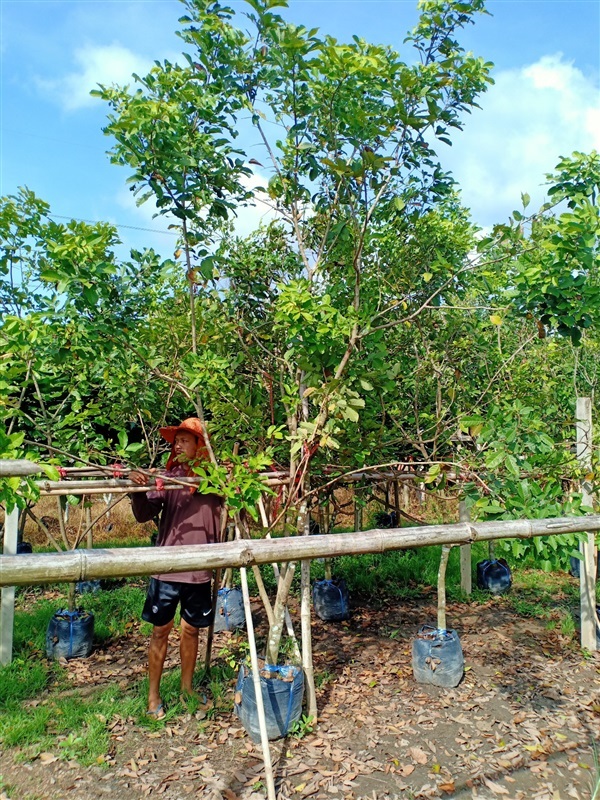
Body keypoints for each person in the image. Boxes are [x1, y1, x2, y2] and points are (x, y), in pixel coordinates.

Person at [130, 417, 221, 718]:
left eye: (185, 439)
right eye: (176, 440)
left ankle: (187, 690)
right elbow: (144, 514)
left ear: (200, 446)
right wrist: (138, 491)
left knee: (192, 630)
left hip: (199, 568)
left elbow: (241, 505)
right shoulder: (168, 478)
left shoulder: (216, 479)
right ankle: (153, 697)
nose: (178, 444)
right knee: (160, 631)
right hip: (167, 568)